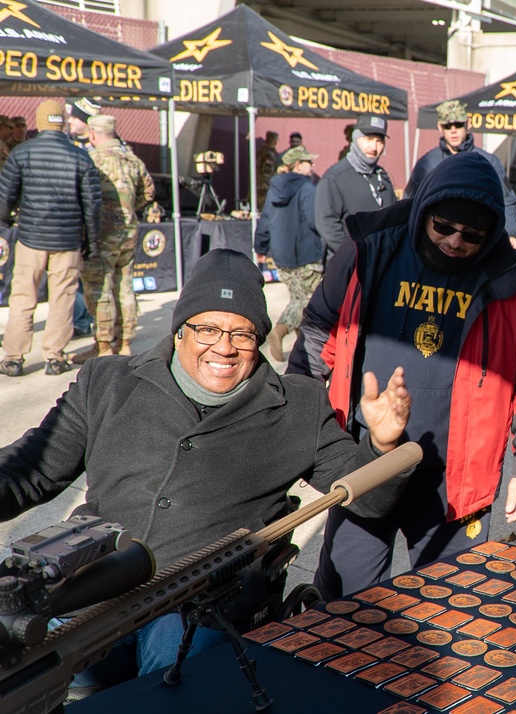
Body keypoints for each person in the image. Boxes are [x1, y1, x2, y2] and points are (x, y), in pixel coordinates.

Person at [0, 248, 413, 689]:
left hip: (203, 601)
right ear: (179, 332)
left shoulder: (299, 406)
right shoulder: (106, 382)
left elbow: (366, 500)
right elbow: (33, 468)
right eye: (208, 329)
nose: (225, 347)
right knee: (27, 672)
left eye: (243, 334)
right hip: (94, 580)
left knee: (170, 682)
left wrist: (382, 444)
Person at [288, 151, 516, 599]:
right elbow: (317, 338)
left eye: (472, 236)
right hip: (367, 460)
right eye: (443, 228)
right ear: (425, 210)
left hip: (456, 476)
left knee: (453, 609)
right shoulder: (369, 248)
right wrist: (296, 434)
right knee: (343, 606)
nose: (454, 242)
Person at [0, 100, 101, 377]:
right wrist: (90, 242)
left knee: (22, 297)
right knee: (63, 298)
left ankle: (13, 358)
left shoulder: (22, 153)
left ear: (41, 122)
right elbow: (93, 205)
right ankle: (54, 357)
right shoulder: (80, 156)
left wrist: (6, 221)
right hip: (67, 241)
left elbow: (5, 193)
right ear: (62, 122)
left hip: (31, 236)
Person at [73, 114, 155, 364]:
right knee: (125, 286)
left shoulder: (91, 160)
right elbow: (148, 193)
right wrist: (128, 210)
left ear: (93, 135)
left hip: (100, 235)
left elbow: (82, 198)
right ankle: (126, 342)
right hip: (128, 233)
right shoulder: (133, 159)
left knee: (100, 288)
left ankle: (104, 344)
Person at [405, 100, 516, 248]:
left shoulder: (489, 163)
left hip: (475, 244)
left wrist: (512, 233)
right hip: (436, 246)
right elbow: (409, 203)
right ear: (440, 127)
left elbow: (508, 201)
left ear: (468, 124)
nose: (453, 130)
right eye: (448, 126)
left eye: (458, 124)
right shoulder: (426, 163)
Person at [254, 145, 324, 361]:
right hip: (306, 255)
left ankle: (304, 346)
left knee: (297, 297)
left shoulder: (275, 188)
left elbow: (265, 218)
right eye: (308, 162)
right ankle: (280, 331)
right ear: (298, 165)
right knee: (308, 300)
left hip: (282, 256)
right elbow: (316, 221)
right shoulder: (307, 189)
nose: (312, 165)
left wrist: (261, 247)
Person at [314, 113, 395, 262]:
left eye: (379, 141)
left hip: (384, 264)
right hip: (350, 267)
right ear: (356, 138)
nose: (374, 147)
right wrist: (355, 253)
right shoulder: (334, 178)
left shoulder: (383, 177)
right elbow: (327, 224)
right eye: (368, 139)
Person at [253, 130, 281, 210]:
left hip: (259, 186)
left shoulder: (261, 151)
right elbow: (266, 171)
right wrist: (266, 186)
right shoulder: (268, 154)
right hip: (264, 187)